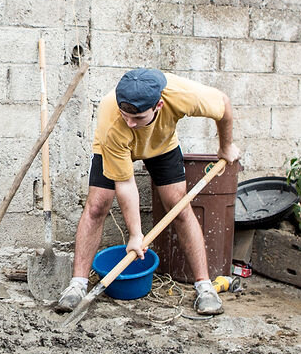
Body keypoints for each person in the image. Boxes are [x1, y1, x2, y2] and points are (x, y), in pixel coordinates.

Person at [57, 68, 241, 315]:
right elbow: (125, 183)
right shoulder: (112, 119)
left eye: (138, 118)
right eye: (126, 116)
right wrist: (135, 235)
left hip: (162, 145)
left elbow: (224, 106)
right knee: (98, 205)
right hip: (114, 146)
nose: (131, 123)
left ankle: (205, 287)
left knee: (179, 207)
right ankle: (77, 285)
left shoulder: (181, 95)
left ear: (159, 106)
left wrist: (225, 147)